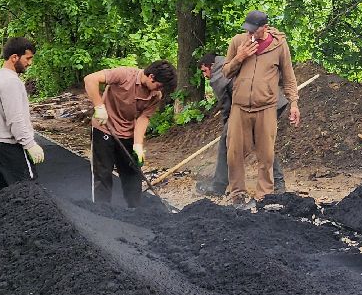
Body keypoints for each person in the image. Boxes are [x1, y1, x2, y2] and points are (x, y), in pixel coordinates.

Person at [222, 10, 300, 199]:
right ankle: (237, 193)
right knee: (234, 153)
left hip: (266, 107)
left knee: (266, 155)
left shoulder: (279, 45)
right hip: (239, 107)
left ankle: (264, 196)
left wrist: (294, 103)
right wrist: (239, 57)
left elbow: (289, 77)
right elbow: (225, 72)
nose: (249, 34)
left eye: (253, 31)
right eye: (247, 30)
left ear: (264, 28)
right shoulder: (237, 42)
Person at [83, 60, 176, 207]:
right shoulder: (124, 75)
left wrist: (138, 145)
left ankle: (135, 212)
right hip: (104, 128)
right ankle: (101, 212)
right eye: (159, 85)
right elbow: (90, 79)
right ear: (151, 76)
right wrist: (99, 106)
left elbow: (143, 118)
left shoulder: (155, 95)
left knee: (132, 175)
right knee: (103, 173)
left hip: (127, 134)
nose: (158, 90)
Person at [196, 51, 286, 197]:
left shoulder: (220, 74)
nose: (205, 76)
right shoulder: (233, 63)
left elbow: (226, 107)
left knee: (228, 141)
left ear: (211, 66)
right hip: (269, 102)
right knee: (262, 143)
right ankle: (278, 184)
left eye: (204, 71)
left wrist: (229, 132)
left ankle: (218, 186)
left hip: (261, 104)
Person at [0, 37, 44, 198]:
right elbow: (15, 119)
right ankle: (34, 223)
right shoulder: (11, 82)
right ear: (14, 57)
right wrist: (29, 144)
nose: (30, 63)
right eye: (28, 58)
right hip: (13, 147)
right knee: (30, 192)